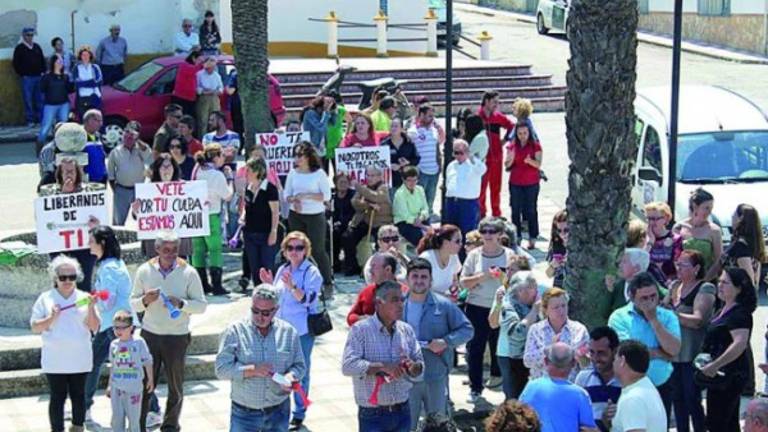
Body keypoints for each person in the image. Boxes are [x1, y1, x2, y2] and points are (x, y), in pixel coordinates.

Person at [130, 230, 207, 432]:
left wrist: (181, 304)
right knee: (145, 383)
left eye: (175, 250)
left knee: (176, 386)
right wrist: (145, 300)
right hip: (150, 335)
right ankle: (139, 425)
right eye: (166, 250)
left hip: (177, 336)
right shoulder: (144, 271)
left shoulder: (189, 272)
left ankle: (171, 425)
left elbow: (201, 305)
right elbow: (133, 304)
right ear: (156, 249)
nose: (171, 254)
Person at [215, 284, 306, 432]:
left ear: (276, 310)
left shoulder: (289, 332)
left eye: (265, 313)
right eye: (255, 311)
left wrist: (291, 376)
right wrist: (252, 370)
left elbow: (300, 366)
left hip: (278, 411)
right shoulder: (234, 331)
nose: (259, 317)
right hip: (244, 413)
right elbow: (221, 369)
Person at [257, 232, 322, 429]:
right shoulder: (283, 269)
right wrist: (269, 284)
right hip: (280, 330)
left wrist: (293, 286)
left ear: (306, 250)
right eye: (290, 248)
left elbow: (309, 300)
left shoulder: (311, 272)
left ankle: (299, 412)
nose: (294, 252)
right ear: (284, 251)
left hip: (301, 330)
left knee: (300, 372)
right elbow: (278, 297)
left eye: (299, 248)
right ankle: (278, 408)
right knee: (278, 370)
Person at [342, 280, 425, 432]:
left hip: (403, 409)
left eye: (402, 299)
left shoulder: (406, 330)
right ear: (379, 303)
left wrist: (414, 367)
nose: (400, 304)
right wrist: (382, 367)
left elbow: (420, 365)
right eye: (394, 300)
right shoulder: (360, 330)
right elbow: (348, 366)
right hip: (373, 414)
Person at [31, 255, 100, 432]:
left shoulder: (84, 297)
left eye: (72, 277)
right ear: (56, 278)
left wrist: (92, 307)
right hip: (55, 359)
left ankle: (77, 427)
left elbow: (94, 327)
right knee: (57, 397)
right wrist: (52, 317)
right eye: (63, 277)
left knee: (79, 396)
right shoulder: (45, 298)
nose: (68, 281)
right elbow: (35, 327)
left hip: (80, 358)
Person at [405, 258, 474, 429]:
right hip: (405, 379)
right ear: (407, 279)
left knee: (438, 425)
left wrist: (445, 342)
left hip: (435, 377)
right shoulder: (398, 305)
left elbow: (467, 330)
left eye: (424, 277)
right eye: (415, 276)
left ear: (431, 280)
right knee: (406, 425)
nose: (419, 281)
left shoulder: (443, 305)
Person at [608, 271, 681, 421]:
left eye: (653, 296)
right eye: (644, 298)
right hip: (630, 388)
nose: (650, 302)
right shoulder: (619, 317)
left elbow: (674, 349)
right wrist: (662, 353)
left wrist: (653, 320)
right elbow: (629, 354)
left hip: (661, 386)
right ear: (632, 297)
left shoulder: (667, 317)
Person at [462, 217, 517, 402]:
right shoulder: (474, 255)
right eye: (484, 231)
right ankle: (475, 387)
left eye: (492, 231)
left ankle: (500, 382)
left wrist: (502, 276)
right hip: (477, 306)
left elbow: (517, 283)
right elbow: (464, 282)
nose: (487, 235)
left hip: (501, 307)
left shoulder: (509, 255)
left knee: (499, 348)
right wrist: (483, 276)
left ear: (501, 235)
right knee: (475, 348)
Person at [660, 250, 715, 432]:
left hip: (693, 352)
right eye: (678, 264)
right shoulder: (674, 286)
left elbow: (698, 320)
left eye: (684, 265)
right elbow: (664, 308)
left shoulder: (705, 288)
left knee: (692, 398)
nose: (679, 268)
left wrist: (673, 315)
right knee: (677, 399)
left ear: (697, 268)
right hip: (674, 353)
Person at [83, 226, 134, 421]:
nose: (89, 244)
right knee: (119, 364)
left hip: (114, 325)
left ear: (101, 244)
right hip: (115, 324)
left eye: (91, 241)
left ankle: (84, 406)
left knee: (96, 363)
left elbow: (108, 300)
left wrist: (95, 301)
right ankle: (84, 406)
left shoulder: (109, 268)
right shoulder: (115, 264)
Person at [698, 267, 756, 431]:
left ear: (739, 288)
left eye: (725, 283)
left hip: (729, 375)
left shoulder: (740, 314)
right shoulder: (723, 309)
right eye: (719, 282)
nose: (720, 286)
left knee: (719, 422)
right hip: (719, 375)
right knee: (727, 423)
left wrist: (715, 365)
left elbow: (739, 344)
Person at [40, 153, 100, 294]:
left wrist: (96, 226)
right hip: (59, 247)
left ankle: (84, 313)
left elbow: (100, 218)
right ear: (59, 174)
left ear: (77, 173)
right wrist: (63, 195)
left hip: (85, 248)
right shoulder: (49, 194)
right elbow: (43, 220)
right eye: (65, 171)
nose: (68, 174)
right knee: (60, 285)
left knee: (84, 285)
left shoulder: (89, 192)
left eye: (71, 171)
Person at [284, 142, 333, 293]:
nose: (297, 159)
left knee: (317, 249)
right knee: (296, 249)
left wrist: (307, 196)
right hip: (296, 215)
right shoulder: (293, 173)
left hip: (315, 215)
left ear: (308, 156)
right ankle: (298, 280)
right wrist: (294, 200)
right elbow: (286, 194)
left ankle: (327, 282)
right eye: (295, 155)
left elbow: (326, 195)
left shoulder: (319, 174)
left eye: (300, 155)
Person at [519, 343, 597, 432]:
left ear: (545, 361)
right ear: (573, 363)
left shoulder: (531, 387)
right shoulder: (580, 395)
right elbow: (588, 429)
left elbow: (518, 418)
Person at [489, 270, 540, 400]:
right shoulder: (508, 305)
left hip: (532, 357)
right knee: (514, 398)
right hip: (511, 358)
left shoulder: (534, 302)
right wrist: (534, 311)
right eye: (532, 288)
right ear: (522, 291)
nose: (536, 292)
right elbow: (517, 333)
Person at [191, 144, 233, 295]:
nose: (224, 159)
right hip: (211, 215)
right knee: (215, 250)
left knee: (198, 251)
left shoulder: (196, 170)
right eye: (222, 156)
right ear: (216, 157)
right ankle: (217, 285)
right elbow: (227, 196)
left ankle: (202, 285)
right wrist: (230, 179)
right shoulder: (217, 175)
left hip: (195, 216)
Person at [523, 287, 589, 381]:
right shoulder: (536, 330)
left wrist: (582, 357)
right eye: (556, 307)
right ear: (546, 310)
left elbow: (588, 366)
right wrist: (549, 349)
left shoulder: (579, 330)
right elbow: (528, 361)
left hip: (570, 386)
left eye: (564, 306)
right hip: (542, 386)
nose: (561, 311)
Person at [107, 311, 153, 432]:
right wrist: (109, 385)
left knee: (134, 419)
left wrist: (150, 380)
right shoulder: (113, 344)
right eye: (116, 327)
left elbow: (147, 362)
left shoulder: (138, 342)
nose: (119, 331)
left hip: (134, 388)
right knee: (117, 419)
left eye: (123, 327)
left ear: (131, 327)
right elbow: (113, 365)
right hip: (117, 387)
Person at [342, 166, 392, 275]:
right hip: (365, 221)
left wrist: (358, 187)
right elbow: (354, 202)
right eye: (368, 175)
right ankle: (352, 266)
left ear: (379, 176)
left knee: (382, 241)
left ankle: (381, 268)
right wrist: (369, 205)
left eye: (373, 175)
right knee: (348, 237)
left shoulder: (383, 187)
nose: (370, 178)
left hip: (381, 222)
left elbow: (376, 197)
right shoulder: (364, 188)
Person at [611, 340, 667, 432]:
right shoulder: (646, 386)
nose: (613, 363)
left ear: (622, 361)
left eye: (615, 359)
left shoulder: (632, 399)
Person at [240, 158, 280, 286]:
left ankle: (269, 294)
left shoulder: (270, 188)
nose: (246, 173)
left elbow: (275, 212)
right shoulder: (249, 188)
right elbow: (247, 207)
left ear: (258, 171)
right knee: (254, 267)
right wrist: (242, 216)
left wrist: (273, 231)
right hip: (250, 232)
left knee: (267, 266)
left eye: (249, 170)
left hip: (265, 232)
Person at [574, 327, 622, 432]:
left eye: (601, 353)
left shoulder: (625, 380)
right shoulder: (583, 378)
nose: (595, 358)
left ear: (614, 351)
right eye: (592, 352)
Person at [504, 119, 542, 250]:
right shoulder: (512, 146)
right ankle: (517, 236)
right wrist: (511, 159)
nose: (522, 136)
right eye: (519, 133)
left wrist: (529, 161)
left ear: (529, 133)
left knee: (531, 209)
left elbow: (538, 164)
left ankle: (533, 237)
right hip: (515, 181)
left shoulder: (535, 145)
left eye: (525, 133)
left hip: (531, 182)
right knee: (515, 210)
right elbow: (507, 165)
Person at [707, 203, 766, 285]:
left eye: (734, 215)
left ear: (740, 218)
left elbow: (749, 280)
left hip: (736, 295)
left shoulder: (741, 247)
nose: (732, 217)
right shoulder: (751, 245)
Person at [478, 90, 515, 218]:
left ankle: (496, 213)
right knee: (481, 188)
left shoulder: (498, 117)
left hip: (496, 157)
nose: (496, 105)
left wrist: (504, 141)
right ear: (486, 101)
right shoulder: (478, 116)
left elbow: (512, 127)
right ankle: (481, 213)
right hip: (482, 159)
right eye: (494, 102)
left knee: (496, 187)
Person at [107, 121, 151, 225]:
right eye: (126, 134)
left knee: (143, 219)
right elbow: (111, 173)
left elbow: (149, 157)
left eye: (131, 136)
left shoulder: (141, 149)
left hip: (139, 189)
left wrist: (137, 140)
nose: (128, 137)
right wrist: (116, 190)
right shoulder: (115, 152)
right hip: (122, 189)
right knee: (118, 221)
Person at [674, 188, 723, 278]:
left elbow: (718, 261)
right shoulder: (679, 227)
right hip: (683, 279)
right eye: (706, 208)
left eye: (711, 208)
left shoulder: (714, 231)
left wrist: (704, 280)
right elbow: (674, 256)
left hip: (706, 280)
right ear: (695, 206)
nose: (709, 212)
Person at [444, 139, 487, 238]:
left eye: (461, 153)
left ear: (467, 152)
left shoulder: (474, 165)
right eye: (456, 153)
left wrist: (471, 158)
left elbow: (483, 169)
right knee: (450, 233)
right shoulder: (451, 165)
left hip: (467, 204)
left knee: (467, 233)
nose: (458, 155)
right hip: (451, 203)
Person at [348, 252, 404, 326]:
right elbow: (351, 317)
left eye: (374, 266)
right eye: (370, 266)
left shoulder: (404, 293)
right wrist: (361, 320)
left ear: (388, 269)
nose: (370, 271)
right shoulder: (366, 292)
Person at [599, 248, 653, 322]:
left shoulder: (652, 288)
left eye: (624, 262)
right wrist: (609, 290)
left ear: (636, 268)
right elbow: (604, 314)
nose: (620, 265)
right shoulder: (618, 286)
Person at [407, 104, 442, 218]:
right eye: (429, 116)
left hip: (434, 170)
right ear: (421, 115)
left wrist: (439, 164)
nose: (432, 119)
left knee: (431, 197)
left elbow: (437, 149)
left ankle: (429, 215)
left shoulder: (434, 131)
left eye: (433, 116)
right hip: (421, 171)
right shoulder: (413, 131)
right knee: (419, 197)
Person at [37, 54, 72, 152]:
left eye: (62, 62)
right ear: (54, 63)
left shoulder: (65, 76)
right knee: (46, 126)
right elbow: (42, 89)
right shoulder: (47, 77)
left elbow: (69, 89)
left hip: (63, 104)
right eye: (58, 61)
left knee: (63, 126)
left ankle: (61, 147)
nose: (60, 63)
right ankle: (39, 147)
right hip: (50, 105)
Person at [417, 224, 462, 298]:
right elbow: (419, 288)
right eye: (457, 241)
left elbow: (454, 281)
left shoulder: (454, 257)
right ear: (445, 242)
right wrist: (444, 297)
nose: (461, 244)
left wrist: (455, 292)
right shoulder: (426, 258)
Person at [13, 27, 46, 126]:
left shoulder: (36, 47)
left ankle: (40, 120)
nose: (30, 37)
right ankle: (30, 120)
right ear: (23, 36)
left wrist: (43, 72)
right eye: (28, 35)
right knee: (28, 100)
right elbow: (15, 63)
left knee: (39, 99)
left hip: (38, 77)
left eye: (32, 35)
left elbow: (42, 60)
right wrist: (22, 73)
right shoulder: (19, 48)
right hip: (27, 78)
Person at [645, 202, 683, 285]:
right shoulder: (643, 238)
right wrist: (650, 241)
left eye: (655, 218)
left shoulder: (675, 239)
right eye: (649, 218)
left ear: (666, 218)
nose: (651, 222)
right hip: (646, 284)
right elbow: (640, 261)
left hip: (668, 284)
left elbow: (678, 266)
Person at [381, 117, 420, 196]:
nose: (393, 128)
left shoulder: (409, 143)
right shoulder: (384, 144)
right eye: (391, 126)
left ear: (402, 128)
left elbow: (417, 159)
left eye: (396, 126)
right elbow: (379, 162)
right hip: (391, 182)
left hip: (407, 181)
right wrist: (389, 166)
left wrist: (407, 163)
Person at [393, 166, 430, 247]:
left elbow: (425, 208)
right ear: (403, 180)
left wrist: (421, 217)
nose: (412, 183)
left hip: (419, 220)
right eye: (409, 180)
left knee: (433, 236)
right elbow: (405, 215)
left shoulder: (420, 189)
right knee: (421, 239)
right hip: (404, 223)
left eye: (415, 180)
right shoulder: (399, 194)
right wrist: (421, 225)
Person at [331, 173, 356, 273]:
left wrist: (343, 222)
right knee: (333, 235)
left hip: (351, 223)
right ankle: (335, 264)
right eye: (340, 182)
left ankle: (350, 266)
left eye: (345, 182)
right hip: (337, 224)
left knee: (347, 237)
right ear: (335, 183)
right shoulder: (332, 196)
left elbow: (354, 212)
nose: (343, 184)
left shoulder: (353, 195)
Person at [73, 46, 103, 120]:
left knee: (96, 119)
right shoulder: (77, 68)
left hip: (95, 96)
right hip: (82, 97)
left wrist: (84, 83)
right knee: (84, 119)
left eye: (87, 54)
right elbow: (77, 84)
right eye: (83, 55)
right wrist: (90, 82)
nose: (85, 57)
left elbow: (98, 82)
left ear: (90, 56)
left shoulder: (95, 67)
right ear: (80, 56)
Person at [196, 58, 224, 136]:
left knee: (216, 120)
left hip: (214, 98)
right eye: (208, 68)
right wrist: (204, 91)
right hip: (204, 98)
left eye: (211, 68)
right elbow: (196, 88)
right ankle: (202, 139)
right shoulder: (199, 74)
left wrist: (216, 91)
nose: (209, 70)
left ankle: (215, 138)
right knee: (203, 121)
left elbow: (221, 88)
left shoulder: (217, 75)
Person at [172, 51, 203, 118]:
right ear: (193, 58)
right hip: (182, 98)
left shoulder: (194, 67)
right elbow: (194, 70)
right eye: (199, 60)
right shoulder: (184, 65)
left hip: (190, 98)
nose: (200, 62)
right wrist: (203, 65)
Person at [81, 109, 108, 184]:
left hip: (101, 179)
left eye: (101, 121)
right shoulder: (79, 137)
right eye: (98, 121)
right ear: (88, 121)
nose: (101, 124)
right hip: (87, 182)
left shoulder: (98, 135)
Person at [546, 209, 568, 288]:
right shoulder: (555, 246)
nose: (562, 234)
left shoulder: (579, 246)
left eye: (566, 230)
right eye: (559, 230)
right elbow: (548, 274)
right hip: (559, 288)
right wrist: (553, 265)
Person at [325, 91, 347, 170]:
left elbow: (350, 121)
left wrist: (346, 137)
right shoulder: (321, 111)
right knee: (324, 173)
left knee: (339, 172)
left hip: (337, 145)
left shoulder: (341, 110)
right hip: (324, 146)